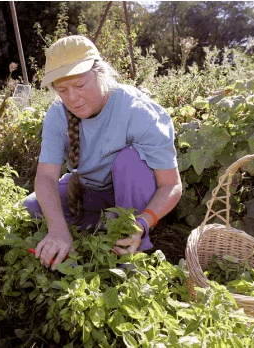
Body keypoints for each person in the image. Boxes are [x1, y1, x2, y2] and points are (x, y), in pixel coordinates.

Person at [23, 35, 182, 269]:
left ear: (101, 73)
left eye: (79, 85)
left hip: (132, 191)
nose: (73, 98)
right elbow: (46, 177)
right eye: (62, 90)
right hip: (89, 190)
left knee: (129, 161)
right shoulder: (57, 114)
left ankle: (131, 245)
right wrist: (57, 230)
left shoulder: (138, 111)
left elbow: (171, 185)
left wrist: (143, 222)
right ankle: (104, 223)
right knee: (32, 207)